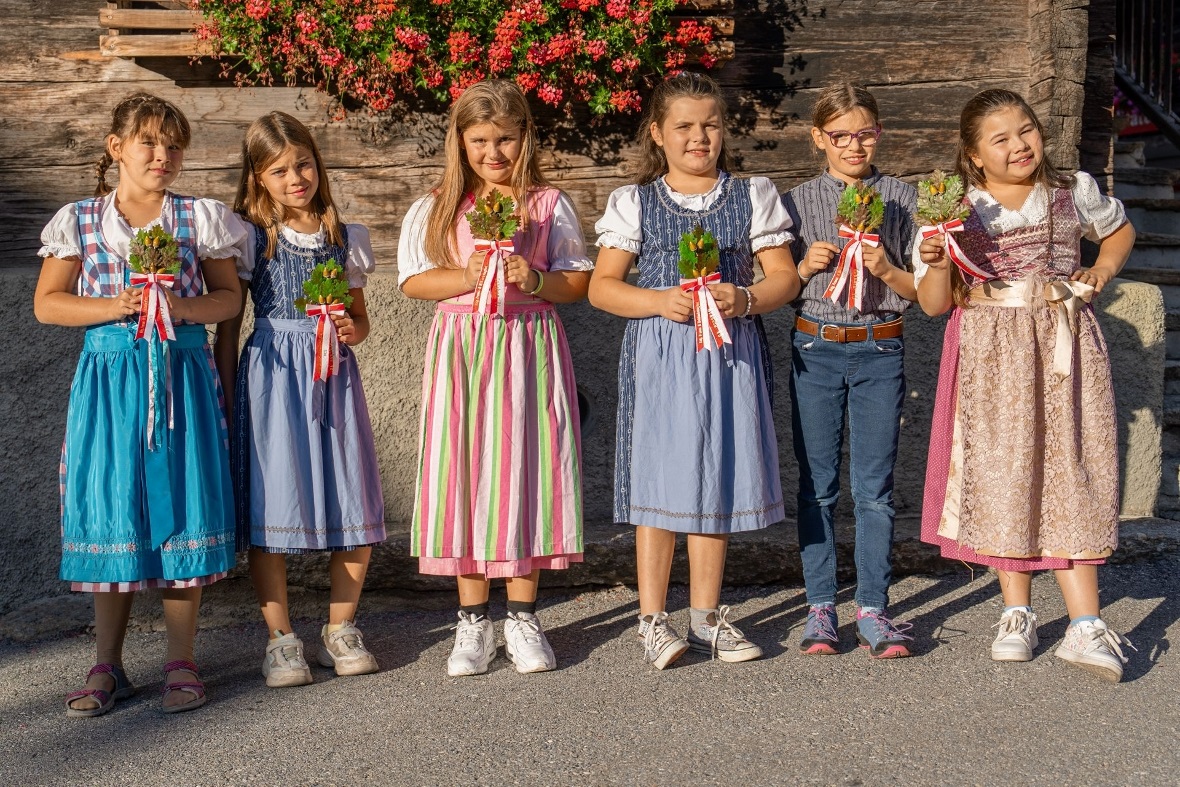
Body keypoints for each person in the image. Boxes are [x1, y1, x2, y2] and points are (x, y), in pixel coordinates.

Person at [915, 88, 1136, 681]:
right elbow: (934, 305)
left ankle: (1085, 624)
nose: (1020, 145)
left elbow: (1118, 232)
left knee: (1074, 469)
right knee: (1007, 472)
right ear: (973, 155)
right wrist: (937, 261)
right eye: (1001, 139)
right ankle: (1017, 611)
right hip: (992, 358)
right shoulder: (957, 209)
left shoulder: (1071, 191)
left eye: (1027, 130)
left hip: (1066, 347)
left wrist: (1103, 267)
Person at [34, 92, 244, 715]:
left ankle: (181, 660)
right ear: (116, 147)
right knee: (114, 507)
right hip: (109, 381)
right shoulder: (79, 219)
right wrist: (115, 306)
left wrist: (180, 307)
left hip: (180, 376)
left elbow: (228, 298)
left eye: (174, 145)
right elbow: (48, 304)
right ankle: (108, 664)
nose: (163, 155)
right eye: (149, 142)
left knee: (182, 504)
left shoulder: (198, 217)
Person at [589, 73, 799, 668]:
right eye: (683, 126)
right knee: (659, 476)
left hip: (729, 348)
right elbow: (603, 288)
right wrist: (658, 300)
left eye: (710, 124)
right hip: (661, 351)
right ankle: (652, 618)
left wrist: (746, 297)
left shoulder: (753, 193)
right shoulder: (635, 201)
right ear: (658, 133)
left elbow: (784, 278)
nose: (698, 137)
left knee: (717, 473)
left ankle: (706, 616)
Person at [398, 80, 592, 676]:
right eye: (480, 140)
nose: (493, 152)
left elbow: (576, 283)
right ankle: (473, 621)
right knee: (464, 470)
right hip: (462, 347)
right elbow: (413, 281)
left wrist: (533, 279)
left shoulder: (547, 204)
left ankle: (523, 617)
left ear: (524, 137)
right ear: (461, 141)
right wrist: (466, 274)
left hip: (528, 344)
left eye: (505, 138)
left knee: (528, 468)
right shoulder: (437, 205)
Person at [215, 112, 385, 688]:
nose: (296, 179)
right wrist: (227, 395)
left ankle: (341, 627)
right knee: (274, 500)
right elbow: (229, 330)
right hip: (271, 378)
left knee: (352, 491)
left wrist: (352, 330)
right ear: (258, 177)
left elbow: (361, 320)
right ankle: (281, 639)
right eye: (280, 170)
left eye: (304, 164)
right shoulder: (249, 237)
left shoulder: (344, 237)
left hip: (333, 376)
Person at [782, 83, 917, 658]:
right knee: (816, 486)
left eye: (865, 134)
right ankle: (819, 607)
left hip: (881, 348)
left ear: (879, 133)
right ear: (819, 138)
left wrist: (886, 268)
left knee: (874, 490)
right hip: (815, 346)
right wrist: (800, 269)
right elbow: (774, 286)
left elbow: (924, 291)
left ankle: (873, 608)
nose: (854, 146)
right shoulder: (793, 203)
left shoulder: (905, 199)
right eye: (840, 135)